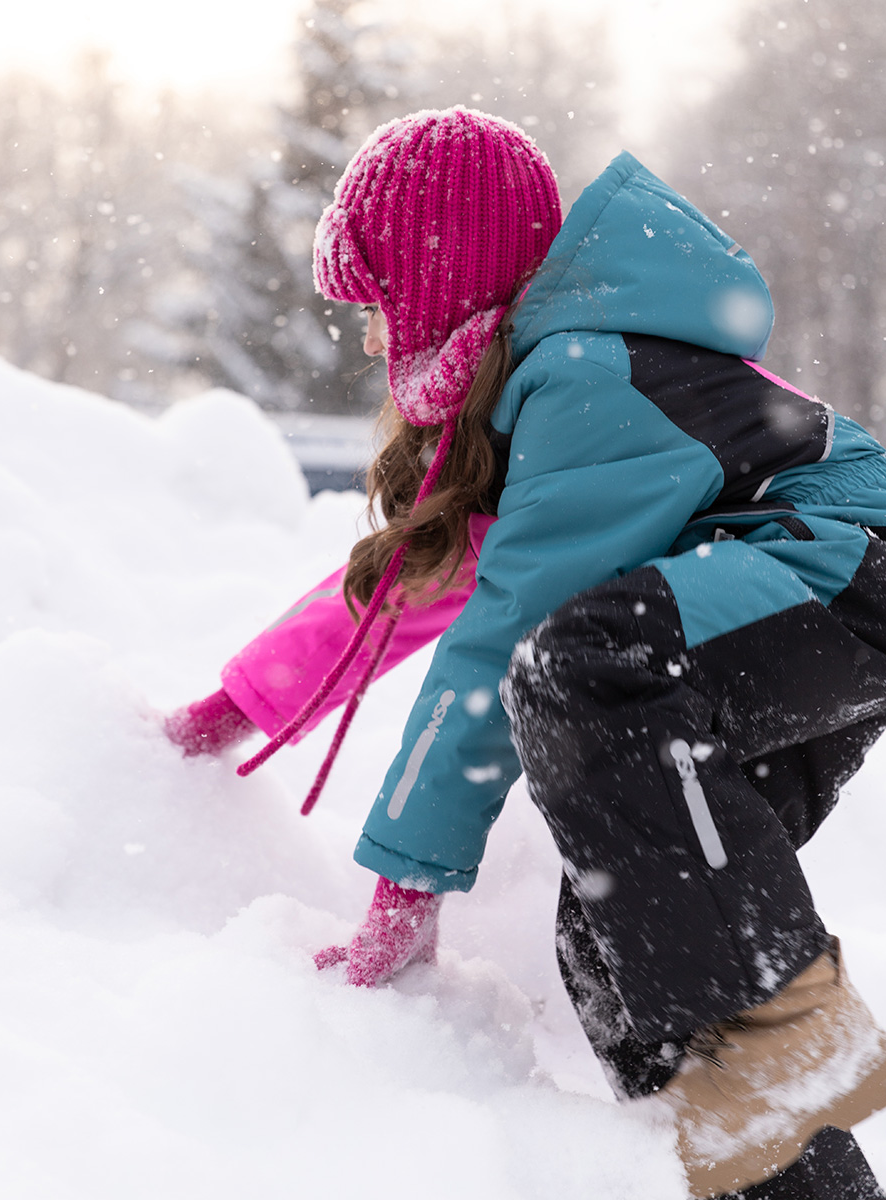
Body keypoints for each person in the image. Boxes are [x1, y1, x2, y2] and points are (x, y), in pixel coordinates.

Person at [165, 107, 886, 1198]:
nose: (369, 341)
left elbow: (505, 634)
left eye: (379, 306)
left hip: (844, 571)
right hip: (770, 620)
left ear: (442, 280)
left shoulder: (591, 377)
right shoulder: (547, 392)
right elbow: (431, 574)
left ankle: (782, 1042)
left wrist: (406, 885)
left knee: (580, 665)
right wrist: (246, 698)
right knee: (625, 928)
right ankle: (785, 1178)